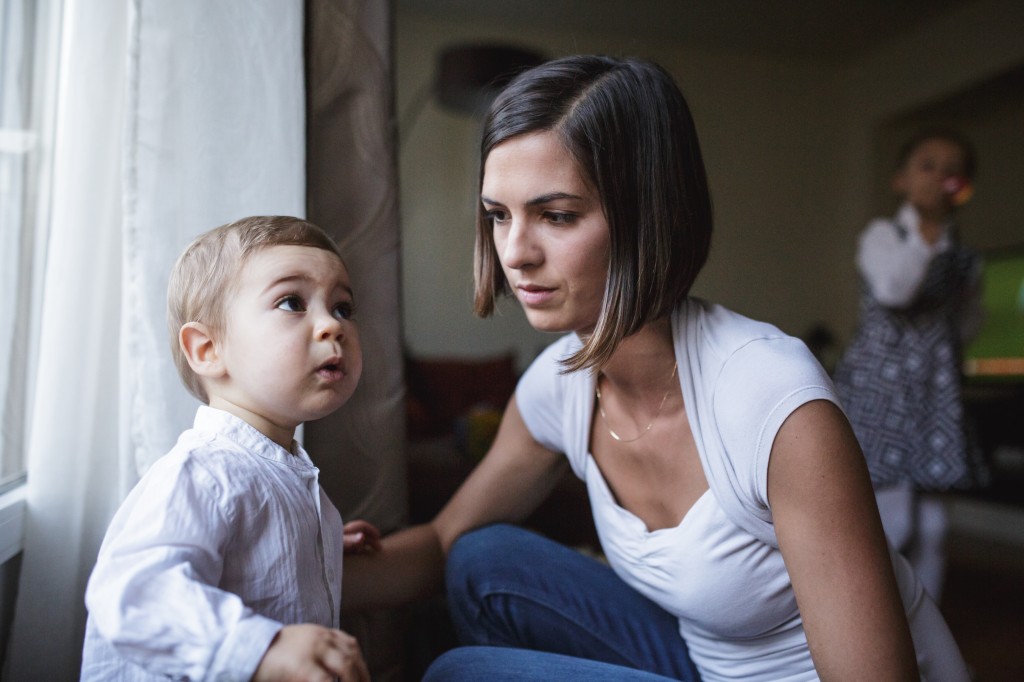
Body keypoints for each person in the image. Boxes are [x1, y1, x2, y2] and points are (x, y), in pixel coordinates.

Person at [343, 56, 971, 681]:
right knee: (481, 557)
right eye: (498, 215)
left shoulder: (772, 402)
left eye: (556, 215)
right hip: (703, 663)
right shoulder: (558, 385)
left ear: (652, 215)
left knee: (462, 675)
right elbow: (443, 542)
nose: (515, 253)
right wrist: (283, 565)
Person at [81, 216, 379, 681]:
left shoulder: (281, 473)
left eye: (343, 308)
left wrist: (315, 545)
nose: (331, 326)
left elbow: (251, 559)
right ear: (207, 349)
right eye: (291, 302)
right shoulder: (204, 471)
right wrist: (261, 647)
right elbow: (134, 590)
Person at [833, 130, 985, 602]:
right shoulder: (883, 235)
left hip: (935, 394)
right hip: (883, 392)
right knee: (891, 520)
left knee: (935, 526)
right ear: (901, 180)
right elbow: (893, 290)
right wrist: (926, 241)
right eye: (927, 165)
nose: (940, 177)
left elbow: (966, 324)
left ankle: (926, 640)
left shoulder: (966, 259)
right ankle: (876, 626)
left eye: (951, 169)